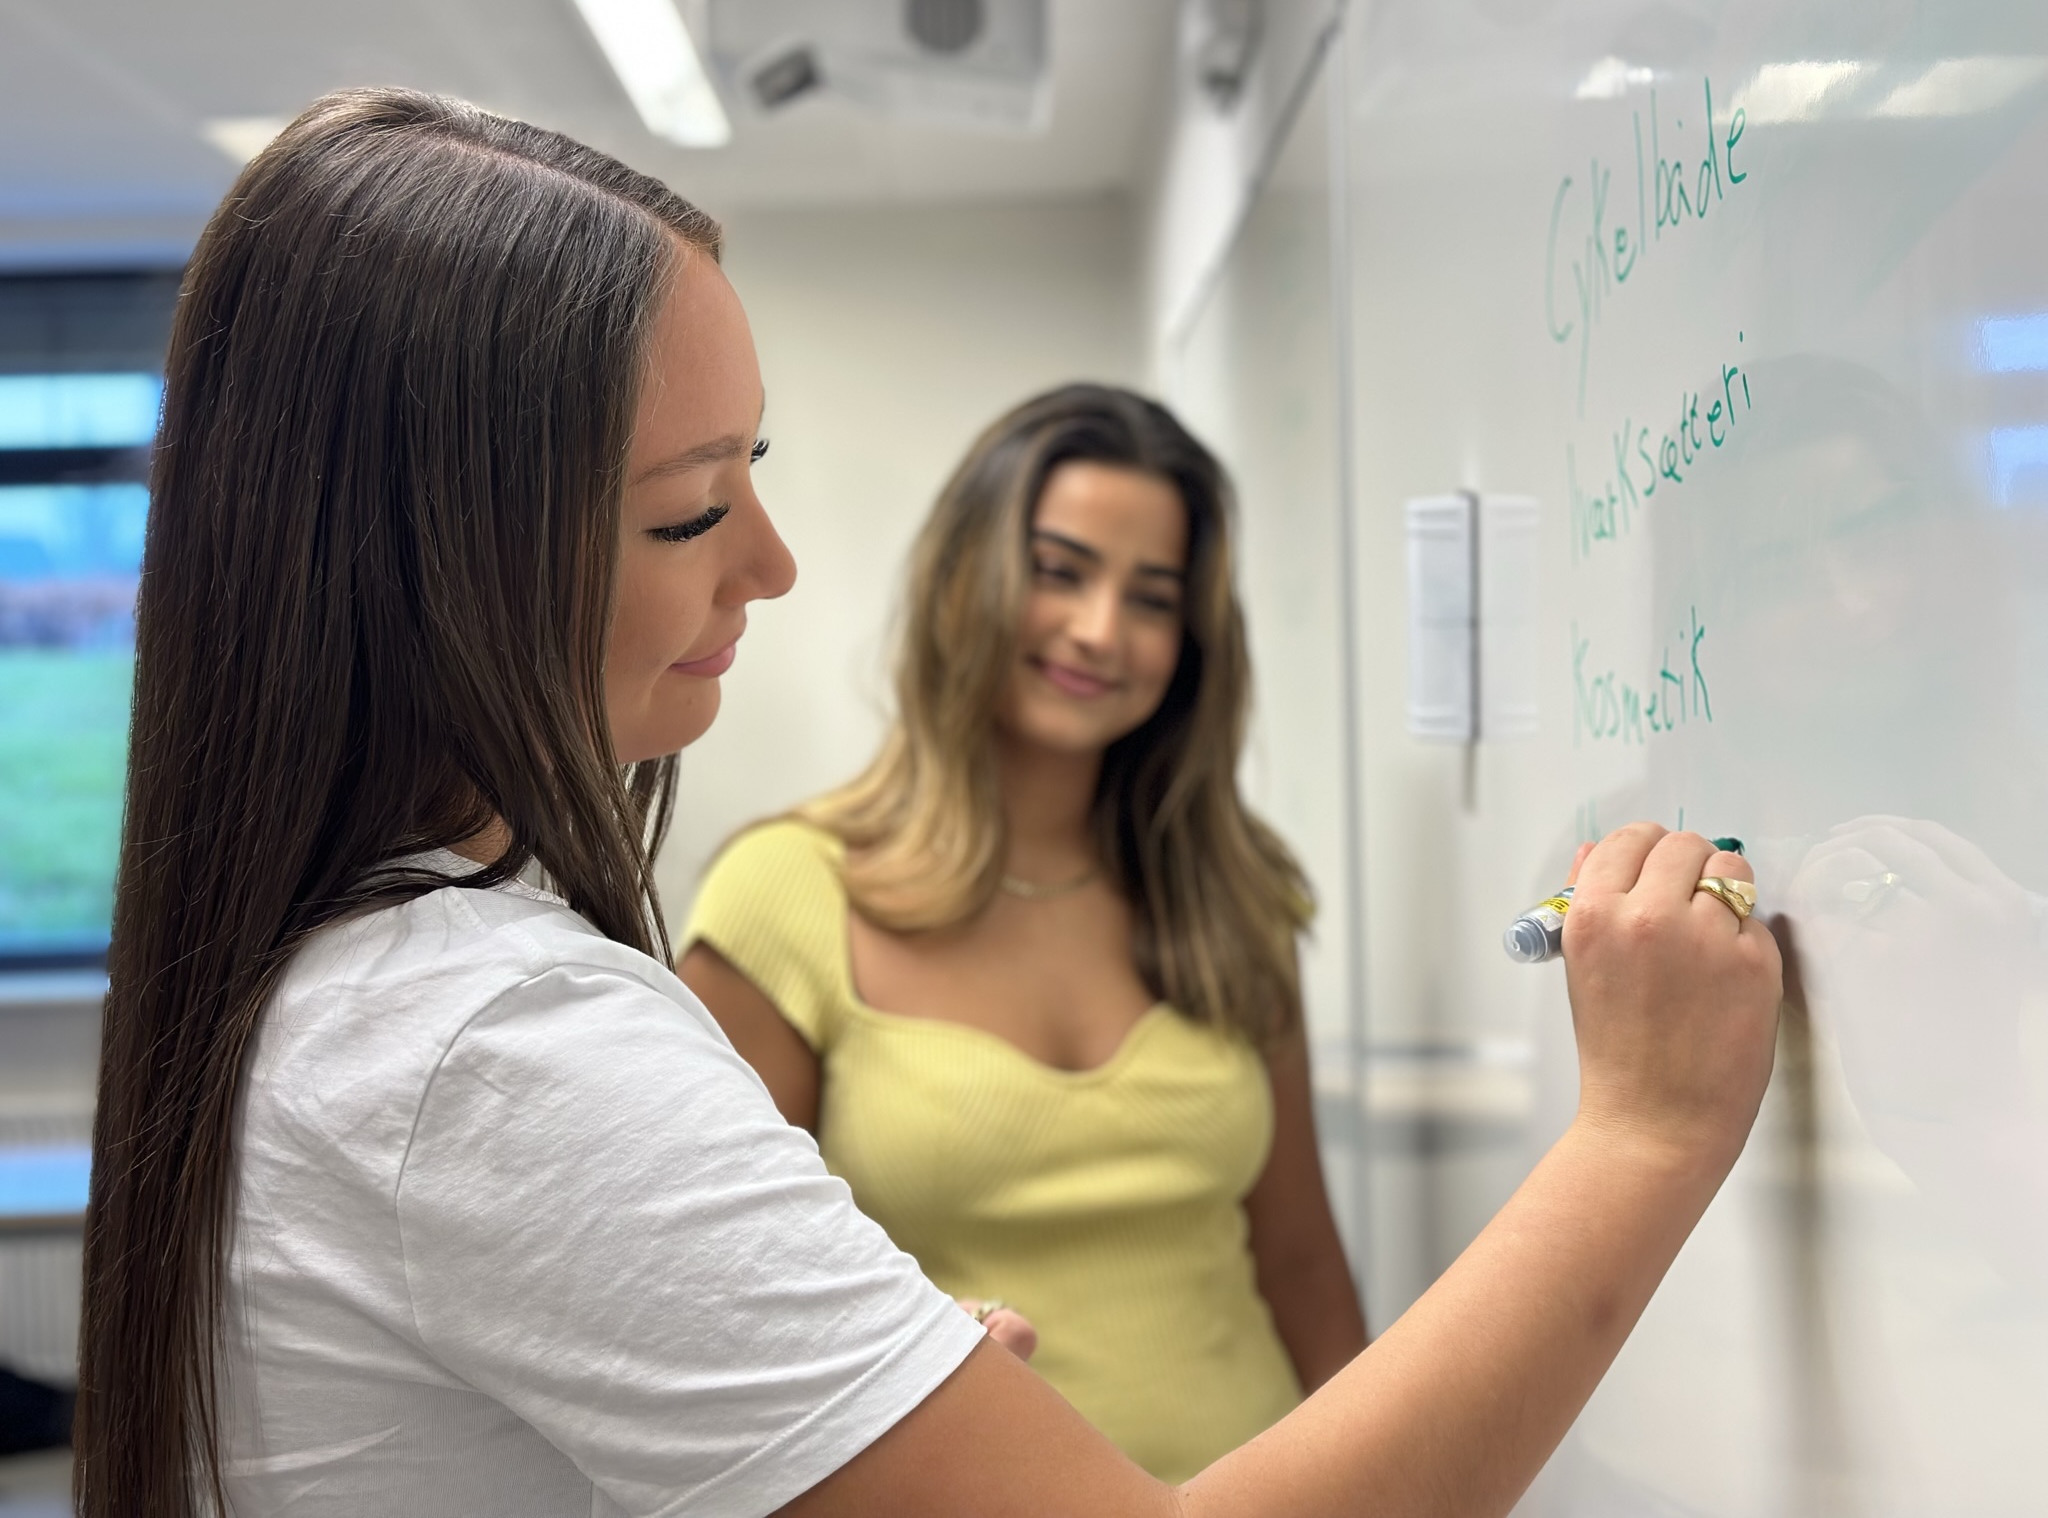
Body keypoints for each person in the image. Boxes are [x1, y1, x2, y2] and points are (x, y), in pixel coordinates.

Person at [74, 89, 1781, 1518]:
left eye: (758, 477)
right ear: (446, 564)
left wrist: (839, 1400)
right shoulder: (505, 1044)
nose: (768, 562)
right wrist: (1641, 1130)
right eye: (685, 514)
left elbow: (1297, 1268)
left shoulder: (412, 998)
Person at [679, 384, 1367, 1481]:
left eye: (1151, 597)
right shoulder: (783, 897)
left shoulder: (1236, 893)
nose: (1100, 631)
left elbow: (1300, 1266)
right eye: (1058, 571)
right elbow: (715, 1312)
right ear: (965, 576)